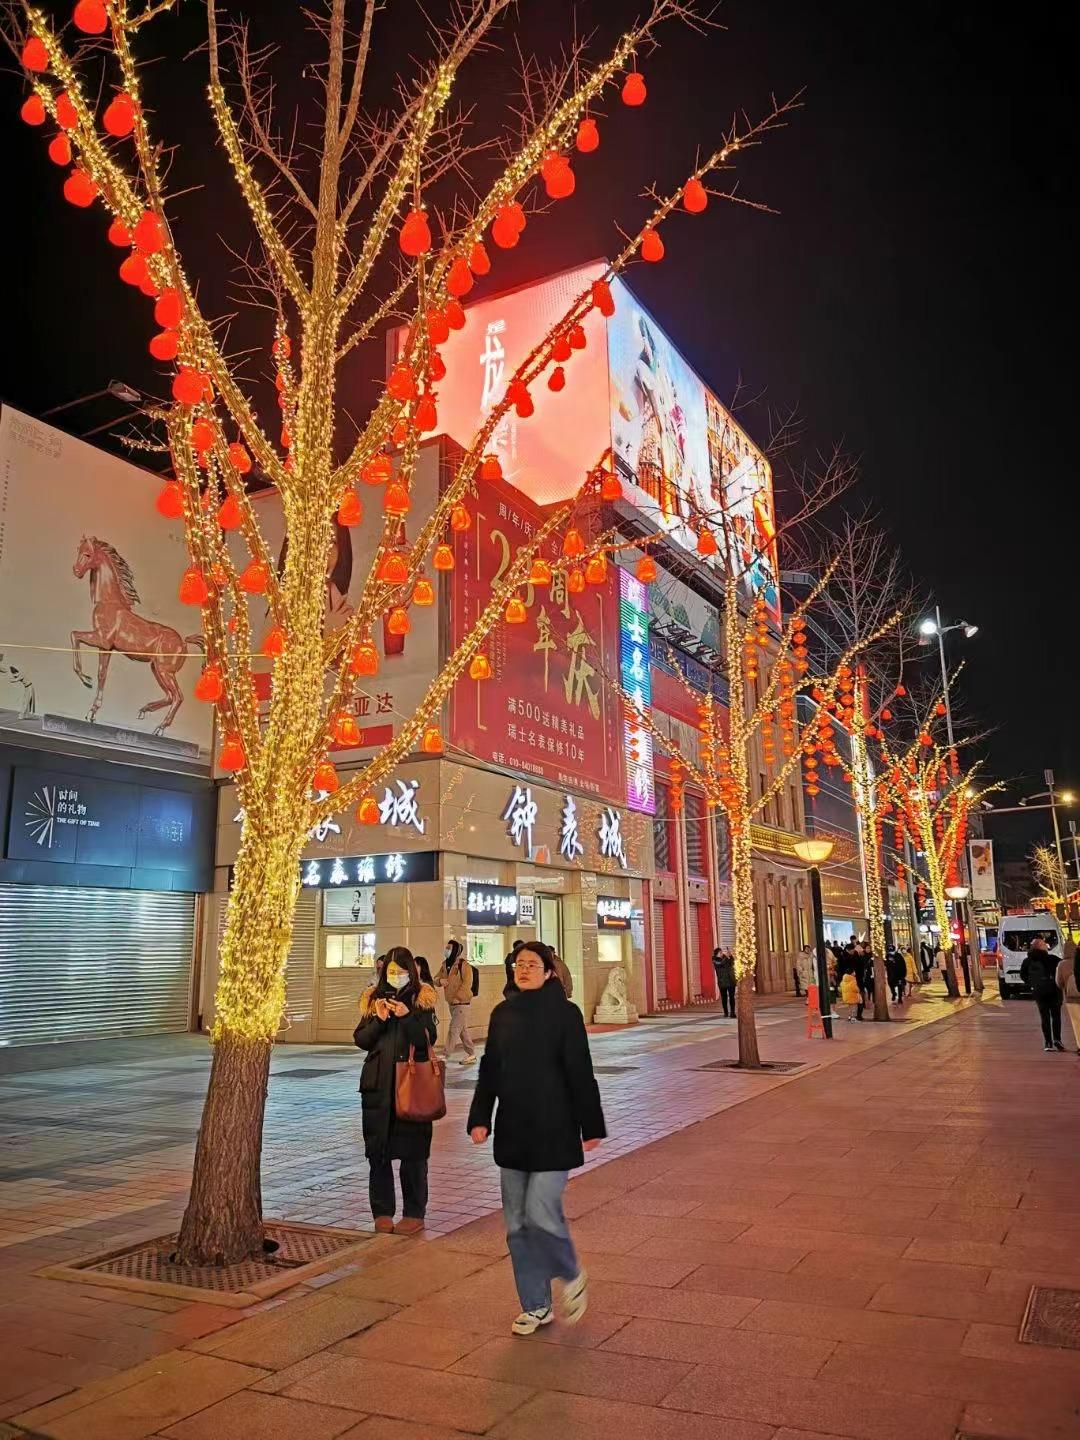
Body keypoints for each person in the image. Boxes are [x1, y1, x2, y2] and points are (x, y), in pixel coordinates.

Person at [467, 941, 606, 1336]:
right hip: (513, 1132)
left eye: (532, 964)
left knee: (540, 1212)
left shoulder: (565, 1014)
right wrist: (480, 1117)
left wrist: (591, 1125)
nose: (523, 969)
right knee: (516, 1226)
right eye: (518, 964)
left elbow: (581, 1070)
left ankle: (570, 1271)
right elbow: (490, 1069)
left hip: (554, 1130)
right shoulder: (503, 1014)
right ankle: (536, 1306)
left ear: (549, 972)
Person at [353, 946, 439, 1234]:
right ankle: (382, 1212)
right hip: (378, 1089)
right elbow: (362, 1040)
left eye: (401, 973)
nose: (395, 978)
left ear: (411, 973)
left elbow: (428, 1039)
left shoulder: (421, 1000)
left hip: (411, 1087)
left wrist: (406, 1016)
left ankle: (414, 1212)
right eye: (390, 973)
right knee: (378, 1154)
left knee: (413, 1155)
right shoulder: (373, 999)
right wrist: (379, 1019)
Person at [436, 939, 477, 1066]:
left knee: (453, 1029)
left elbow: (467, 983)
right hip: (451, 1003)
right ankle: (471, 1054)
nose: (446, 950)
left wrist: (458, 997)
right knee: (462, 1030)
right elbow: (435, 978)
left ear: (455, 950)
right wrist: (440, 981)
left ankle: (445, 1055)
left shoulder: (463, 965)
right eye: (446, 948)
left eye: (449, 948)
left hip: (462, 1003)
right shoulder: (445, 964)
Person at [1020, 936, 1065, 1052]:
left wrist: (1032, 984)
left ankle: (1048, 1042)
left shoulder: (1027, 961)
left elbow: (1023, 976)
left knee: (1044, 1017)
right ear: (1041, 946)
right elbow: (1061, 972)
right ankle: (1057, 1039)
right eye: (1044, 944)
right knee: (1056, 1016)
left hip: (1039, 993)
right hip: (1054, 992)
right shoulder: (1052, 959)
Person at [713, 947, 736, 1018]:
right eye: (720, 953)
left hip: (730, 980)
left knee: (732, 997)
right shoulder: (715, 960)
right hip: (722, 982)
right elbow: (721, 964)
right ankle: (726, 1012)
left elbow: (732, 963)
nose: (722, 953)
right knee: (724, 997)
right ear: (716, 954)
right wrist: (727, 957)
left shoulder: (725, 958)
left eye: (721, 952)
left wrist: (730, 955)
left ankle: (732, 1012)